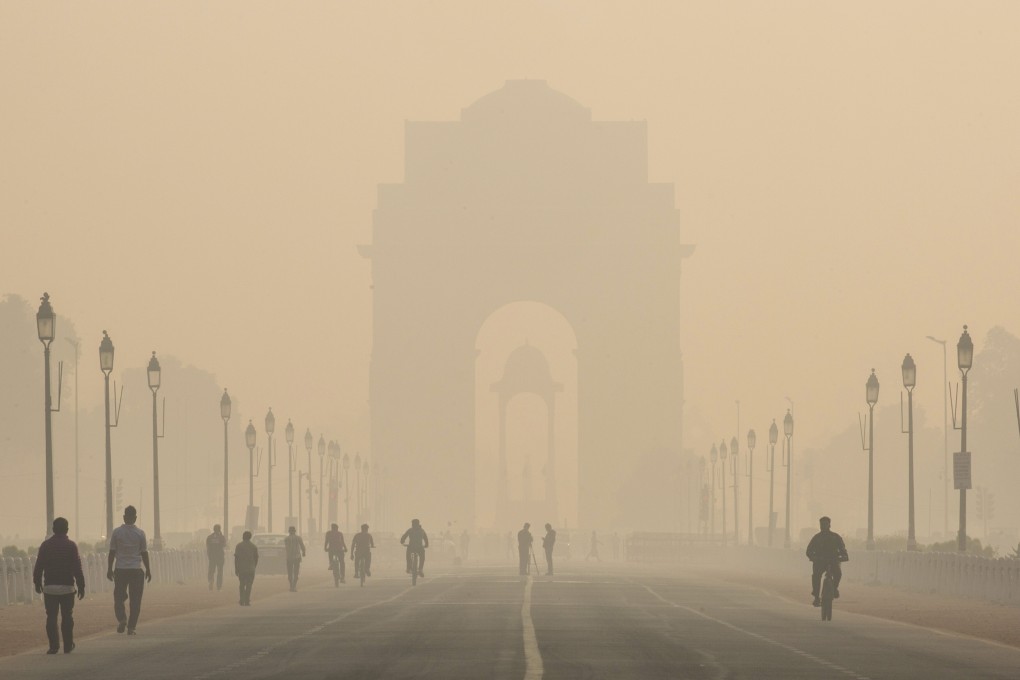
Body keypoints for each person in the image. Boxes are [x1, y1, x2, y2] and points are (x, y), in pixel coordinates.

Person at [33, 517, 85, 654]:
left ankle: (53, 646)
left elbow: (39, 567)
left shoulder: (45, 546)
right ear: (67, 530)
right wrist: (81, 585)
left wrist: (37, 582)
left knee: (51, 616)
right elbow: (77, 568)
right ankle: (68, 645)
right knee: (67, 616)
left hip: (50, 588)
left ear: (53, 530)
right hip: (67, 587)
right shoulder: (71, 546)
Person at [107, 505, 151, 635]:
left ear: (124, 517)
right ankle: (131, 627)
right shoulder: (140, 533)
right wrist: (148, 569)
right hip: (136, 570)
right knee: (135, 600)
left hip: (120, 569)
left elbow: (112, 552)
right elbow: (144, 553)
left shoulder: (117, 532)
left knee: (118, 597)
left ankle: (122, 618)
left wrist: (109, 569)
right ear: (135, 518)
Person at [806, 516, 849, 606]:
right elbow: (808, 551)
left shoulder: (836, 537)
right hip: (820, 562)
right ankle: (816, 597)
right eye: (822, 524)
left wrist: (844, 556)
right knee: (816, 576)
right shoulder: (816, 538)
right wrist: (813, 557)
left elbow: (842, 549)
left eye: (825, 524)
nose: (823, 526)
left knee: (838, 573)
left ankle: (834, 588)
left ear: (829, 525)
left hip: (833, 561)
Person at [234, 530, 259, 606]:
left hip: (241, 568)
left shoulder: (238, 546)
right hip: (251, 568)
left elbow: (236, 558)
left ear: (243, 537)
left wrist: (236, 568)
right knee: (249, 585)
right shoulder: (253, 546)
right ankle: (247, 600)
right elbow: (256, 558)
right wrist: (254, 566)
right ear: (250, 537)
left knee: (242, 584)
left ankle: (242, 600)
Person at [284, 526, 306, 592]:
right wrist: (304, 552)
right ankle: (294, 586)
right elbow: (302, 546)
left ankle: (291, 586)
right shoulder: (298, 538)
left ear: (289, 531)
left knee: (290, 572)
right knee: (296, 572)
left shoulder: (286, 539)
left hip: (289, 558)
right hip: (297, 557)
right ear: (295, 531)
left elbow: (286, 548)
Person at [206, 524, 226, 590]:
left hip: (212, 556)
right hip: (220, 556)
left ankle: (211, 580)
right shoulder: (221, 537)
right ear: (219, 529)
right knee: (220, 571)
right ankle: (218, 586)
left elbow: (208, 547)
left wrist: (209, 555)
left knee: (211, 570)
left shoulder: (209, 537)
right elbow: (224, 545)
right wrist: (221, 534)